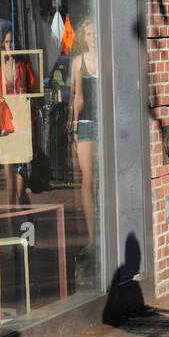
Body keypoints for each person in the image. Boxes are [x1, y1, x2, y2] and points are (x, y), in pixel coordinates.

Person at [0, 26, 37, 206]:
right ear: (3, 45)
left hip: (22, 129)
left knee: (20, 190)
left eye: (13, 42)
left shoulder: (25, 68)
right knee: (9, 186)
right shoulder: (1, 72)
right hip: (7, 130)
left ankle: (28, 225)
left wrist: (26, 97)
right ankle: (10, 227)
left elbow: (36, 97)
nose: (11, 45)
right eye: (8, 42)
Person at [70, 18, 99, 257]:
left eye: (95, 33)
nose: (92, 38)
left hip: (107, 123)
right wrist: (74, 129)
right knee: (87, 179)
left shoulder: (107, 59)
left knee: (103, 180)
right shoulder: (78, 62)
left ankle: (105, 231)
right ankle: (92, 238)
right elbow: (77, 98)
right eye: (88, 34)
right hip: (87, 123)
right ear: (84, 37)